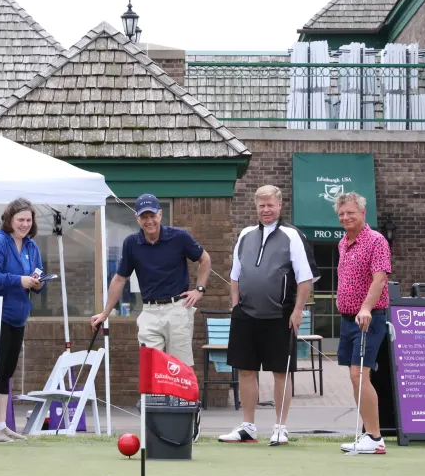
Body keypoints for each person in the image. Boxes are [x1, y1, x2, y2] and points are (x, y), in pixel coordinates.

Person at [219, 185, 316, 446]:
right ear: (256, 206)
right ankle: (248, 427)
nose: (266, 210)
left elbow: (305, 278)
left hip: (280, 315)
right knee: (246, 370)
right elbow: (235, 275)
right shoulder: (246, 234)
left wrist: (298, 311)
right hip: (246, 314)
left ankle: (280, 427)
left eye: (270, 205)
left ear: (280, 205)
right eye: (261, 205)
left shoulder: (292, 235)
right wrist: (235, 306)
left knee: (280, 373)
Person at [91, 194, 211, 367]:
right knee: (152, 368)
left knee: (179, 369)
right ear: (137, 218)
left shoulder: (179, 237)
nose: (149, 221)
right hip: (149, 311)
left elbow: (205, 259)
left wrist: (199, 290)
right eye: (144, 217)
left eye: (152, 216)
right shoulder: (131, 243)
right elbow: (119, 279)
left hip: (177, 309)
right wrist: (105, 313)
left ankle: (180, 396)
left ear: (160, 215)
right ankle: (155, 396)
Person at [0, 197, 47, 443]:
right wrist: (19, 280)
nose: (25, 224)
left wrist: (36, 284)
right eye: (20, 220)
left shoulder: (31, 247)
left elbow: (36, 276)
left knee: (6, 371)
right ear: (9, 220)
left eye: (28, 220)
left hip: (17, 316)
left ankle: (2, 425)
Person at [333, 192, 392, 456]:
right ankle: (369, 434)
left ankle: (375, 437)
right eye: (341, 214)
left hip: (369, 318)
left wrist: (366, 307)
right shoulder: (343, 242)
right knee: (354, 376)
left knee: (360, 375)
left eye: (350, 213)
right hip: (348, 320)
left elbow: (379, 279)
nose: (346, 217)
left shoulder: (376, 240)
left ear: (363, 213)